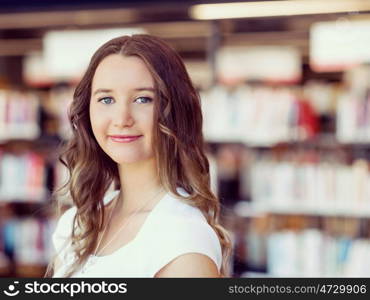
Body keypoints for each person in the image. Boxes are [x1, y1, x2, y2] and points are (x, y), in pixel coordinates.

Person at [45, 34, 231, 278]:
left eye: (143, 99)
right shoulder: (76, 224)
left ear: (174, 111)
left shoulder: (182, 238)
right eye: (106, 99)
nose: (122, 118)